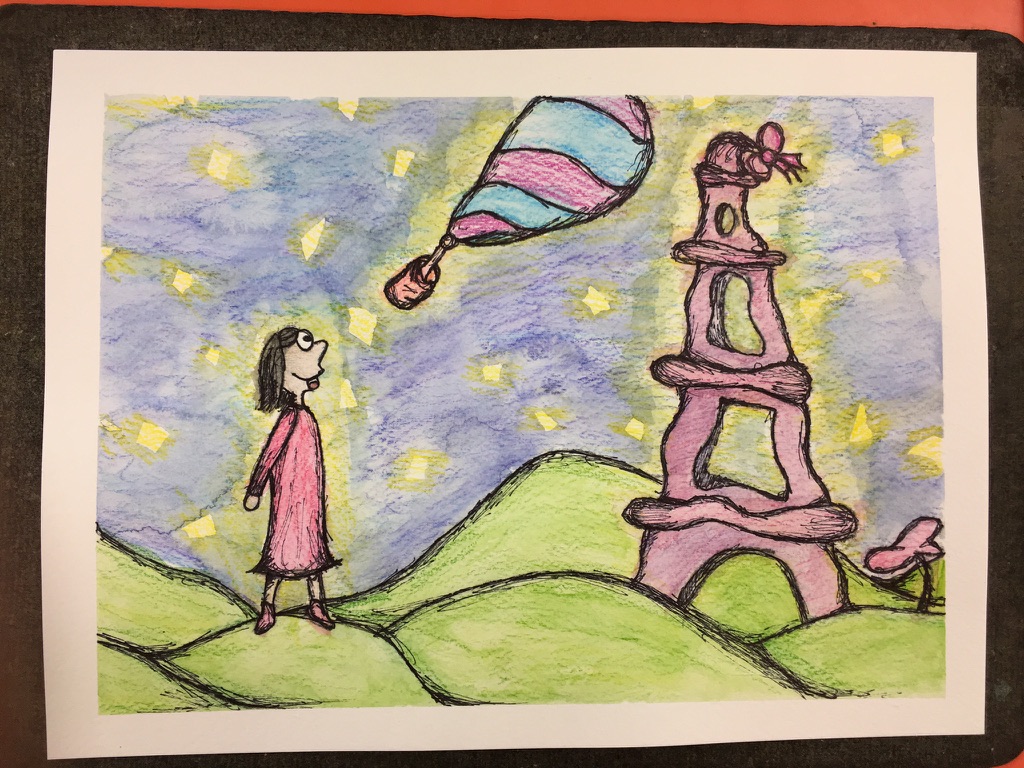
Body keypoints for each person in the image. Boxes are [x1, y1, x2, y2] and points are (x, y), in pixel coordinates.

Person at [244, 326, 339, 634]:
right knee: (281, 549)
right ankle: (268, 606)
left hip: (310, 500)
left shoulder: (307, 416)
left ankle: (316, 603)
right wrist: (256, 488)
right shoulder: (290, 417)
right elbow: (269, 454)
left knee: (313, 548)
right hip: (287, 499)